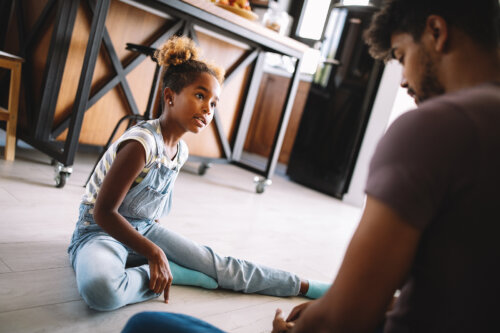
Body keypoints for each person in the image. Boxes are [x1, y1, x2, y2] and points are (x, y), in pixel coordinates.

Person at [121, 0, 500, 331]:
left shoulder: (432, 130)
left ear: (436, 31)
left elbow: (343, 321)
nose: (403, 80)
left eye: (401, 57)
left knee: (145, 325)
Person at [67, 36, 329, 312]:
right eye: (200, 96)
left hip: (143, 230)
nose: (208, 109)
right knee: (101, 290)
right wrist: (154, 252)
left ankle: (302, 285)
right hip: (100, 233)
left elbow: (152, 210)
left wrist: (157, 244)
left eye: (214, 104)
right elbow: (103, 213)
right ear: (169, 96)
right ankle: (174, 275)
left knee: (219, 265)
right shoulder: (140, 144)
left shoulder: (180, 151)